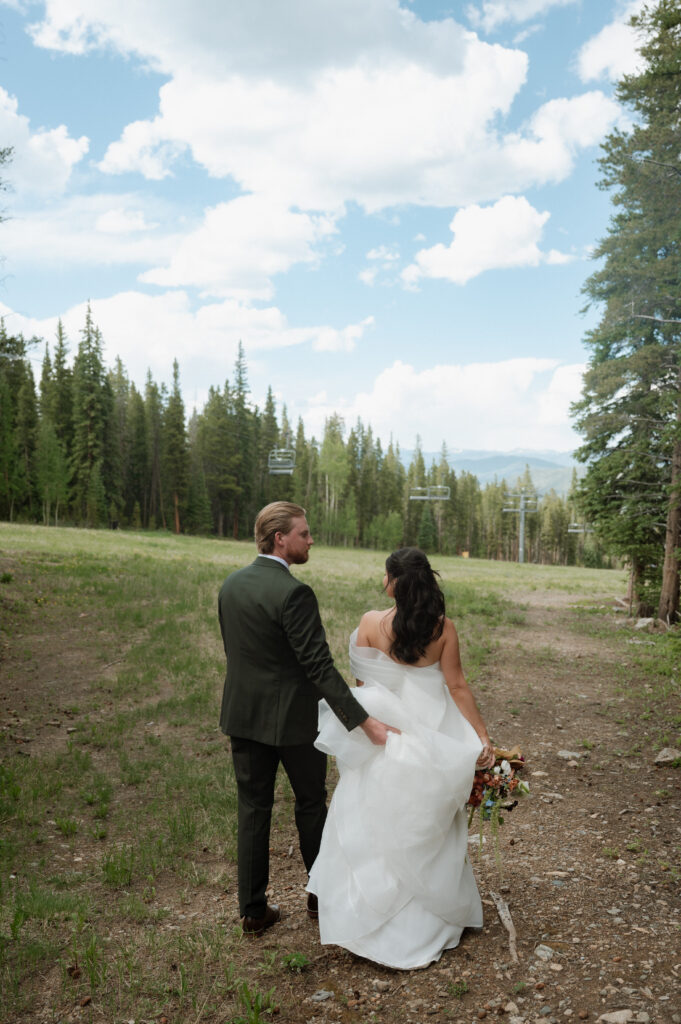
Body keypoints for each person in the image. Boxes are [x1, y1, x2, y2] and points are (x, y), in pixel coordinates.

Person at [307, 546, 495, 970]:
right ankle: (427, 920)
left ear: (393, 582)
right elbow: (458, 687)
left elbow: (362, 688)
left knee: (371, 818)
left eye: (385, 576)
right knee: (427, 825)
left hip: (382, 734)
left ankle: (369, 919)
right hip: (429, 735)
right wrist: (482, 735)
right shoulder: (443, 629)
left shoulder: (370, 623)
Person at [218, 501, 397, 938]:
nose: (311, 539)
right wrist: (365, 722)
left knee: (253, 810)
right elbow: (319, 667)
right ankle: (322, 901)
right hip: (295, 724)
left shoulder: (231, 586)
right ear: (280, 538)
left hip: (243, 717)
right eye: (304, 533)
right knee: (311, 806)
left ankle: (253, 912)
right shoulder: (294, 593)